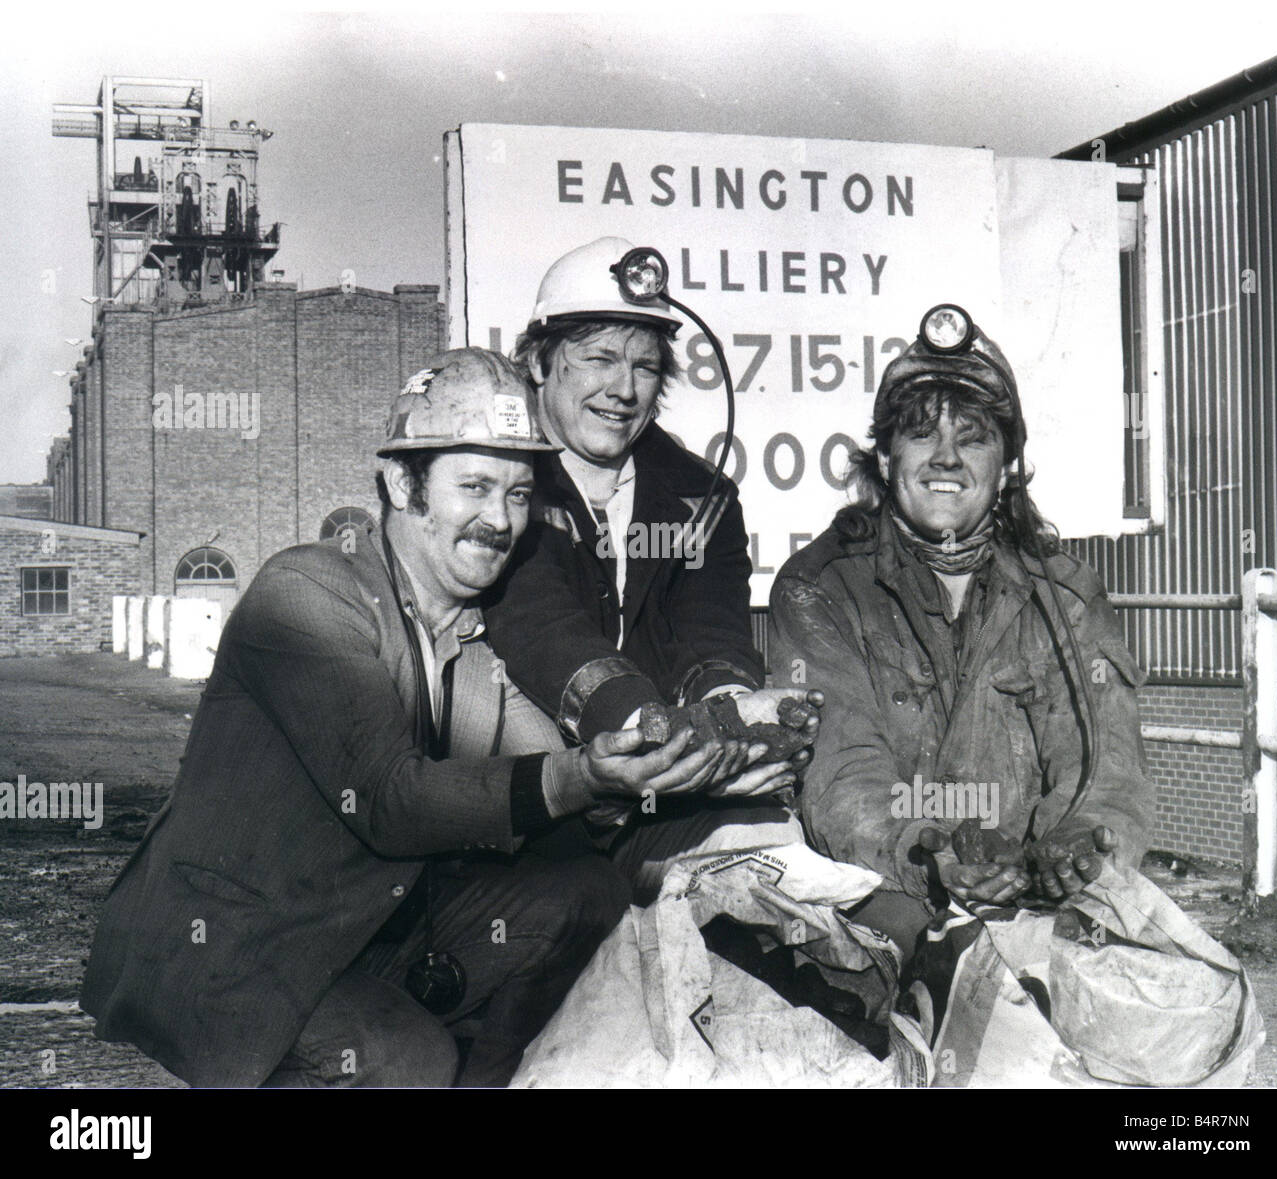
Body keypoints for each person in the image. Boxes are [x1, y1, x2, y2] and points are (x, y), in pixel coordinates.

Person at [80, 349, 749, 1088]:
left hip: (360, 932)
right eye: (475, 486)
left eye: (520, 494)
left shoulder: (472, 637)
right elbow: (390, 801)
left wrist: (661, 767)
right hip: (226, 946)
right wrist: (579, 774)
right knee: (406, 1057)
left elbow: (551, 782)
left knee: (587, 894)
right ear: (403, 483)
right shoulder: (306, 594)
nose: (499, 519)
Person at [768, 305, 1153, 962]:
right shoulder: (821, 586)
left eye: (972, 437)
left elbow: (1106, 765)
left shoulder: (1067, 595)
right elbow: (843, 776)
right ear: (886, 458)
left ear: (1005, 464)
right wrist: (931, 853)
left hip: (1032, 898)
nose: (945, 456)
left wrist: (1082, 843)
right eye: (921, 435)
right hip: (879, 890)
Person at [483, 237, 818, 899]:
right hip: (533, 807)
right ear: (541, 363)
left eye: (644, 365)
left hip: (665, 804)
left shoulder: (701, 494)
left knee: (781, 861)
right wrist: (649, 732)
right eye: (600, 358)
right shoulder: (501, 481)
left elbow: (711, 631)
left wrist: (732, 718)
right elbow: (539, 624)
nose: (624, 389)